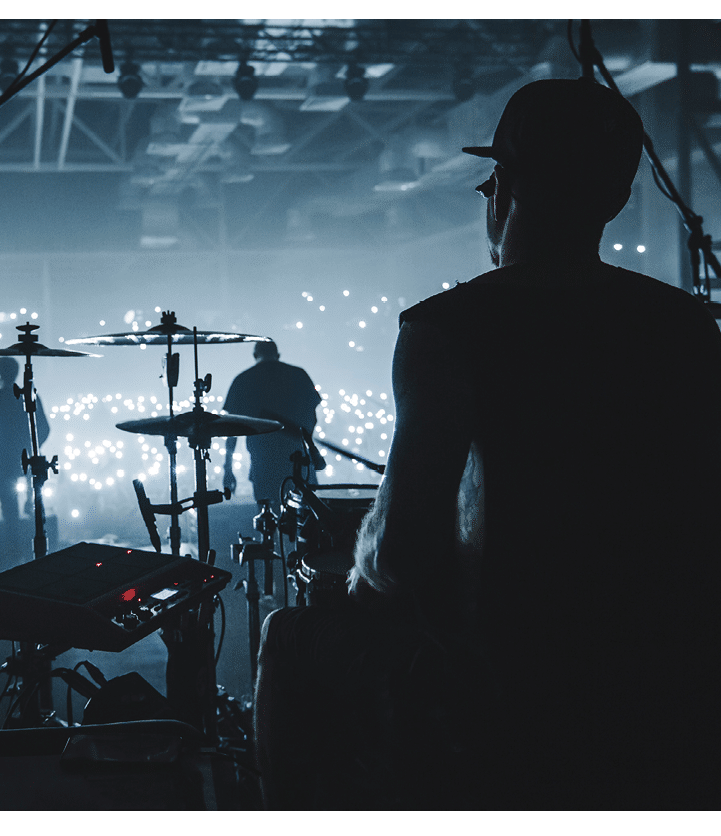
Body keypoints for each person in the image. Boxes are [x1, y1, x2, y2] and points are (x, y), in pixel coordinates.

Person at [254, 78, 721, 808]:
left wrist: (360, 561)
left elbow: (406, 552)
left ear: (503, 188)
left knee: (288, 634)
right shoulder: (686, 327)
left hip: (506, 677)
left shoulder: (447, 329)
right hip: (666, 672)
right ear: (618, 198)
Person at [222, 340, 322, 503]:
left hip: (263, 464)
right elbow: (312, 417)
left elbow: (230, 430)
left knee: (269, 520)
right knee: (307, 519)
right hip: (299, 462)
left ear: (255, 356)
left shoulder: (242, 380)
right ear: (278, 355)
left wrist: (228, 469)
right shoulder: (299, 374)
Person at [0, 357, 49, 523]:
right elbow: (45, 428)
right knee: (34, 513)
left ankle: (13, 545)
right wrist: (33, 448)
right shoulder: (28, 396)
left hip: (1, 460)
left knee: (9, 512)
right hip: (27, 458)